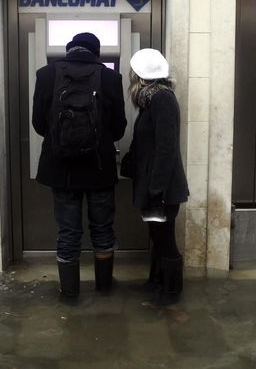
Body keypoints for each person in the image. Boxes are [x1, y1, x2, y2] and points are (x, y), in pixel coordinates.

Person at [32, 32, 126, 299]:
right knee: (102, 228)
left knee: (68, 230)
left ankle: (70, 291)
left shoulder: (45, 75)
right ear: (96, 53)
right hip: (99, 168)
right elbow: (118, 129)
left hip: (61, 169)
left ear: (69, 49)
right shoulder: (110, 78)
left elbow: (39, 124)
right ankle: (104, 287)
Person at [122, 48, 189, 306]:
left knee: (165, 238)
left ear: (139, 76)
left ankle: (170, 293)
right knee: (157, 235)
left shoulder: (162, 99)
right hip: (154, 184)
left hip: (162, 187)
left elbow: (166, 147)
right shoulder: (152, 99)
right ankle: (156, 283)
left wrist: (156, 188)